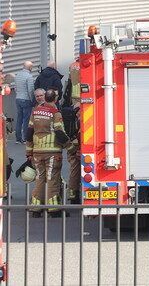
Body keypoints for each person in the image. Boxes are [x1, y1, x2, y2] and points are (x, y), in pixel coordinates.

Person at [26, 89, 69, 216]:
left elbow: (29, 132)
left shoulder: (35, 111)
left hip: (37, 152)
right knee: (52, 179)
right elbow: (60, 132)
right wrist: (70, 147)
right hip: (52, 153)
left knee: (39, 179)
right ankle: (54, 209)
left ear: (45, 97)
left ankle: (35, 208)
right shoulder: (55, 113)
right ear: (56, 99)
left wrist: (29, 151)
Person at [61, 63, 81, 204]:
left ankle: (73, 194)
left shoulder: (69, 112)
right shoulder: (80, 113)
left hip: (71, 141)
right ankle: (73, 194)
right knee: (75, 169)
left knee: (74, 168)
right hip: (77, 143)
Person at [14, 61, 35, 144]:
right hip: (26, 99)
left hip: (18, 99)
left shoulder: (17, 75)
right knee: (26, 119)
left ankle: (18, 138)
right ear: (30, 67)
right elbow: (30, 90)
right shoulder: (29, 76)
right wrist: (31, 100)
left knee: (19, 118)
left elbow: (15, 88)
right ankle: (25, 138)